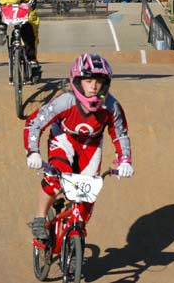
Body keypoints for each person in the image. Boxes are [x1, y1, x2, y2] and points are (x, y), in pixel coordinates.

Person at [23, 53, 133, 240]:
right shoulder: (65, 101)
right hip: (63, 139)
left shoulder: (111, 106)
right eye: (88, 81)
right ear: (77, 82)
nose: (94, 87)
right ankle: (40, 218)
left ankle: (76, 233)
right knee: (55, 178)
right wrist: (32, 152)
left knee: (88, 193)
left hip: (92, 145)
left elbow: (120, 135)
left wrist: (125, 160)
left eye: (99, 82)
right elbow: (35, 123)